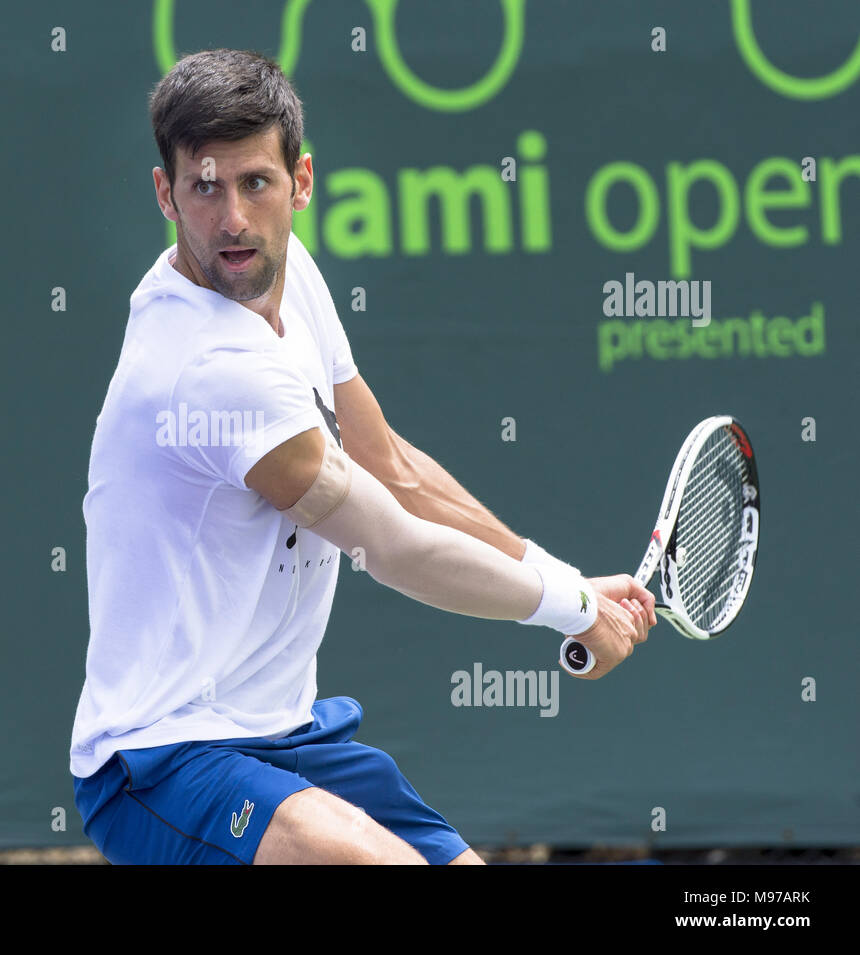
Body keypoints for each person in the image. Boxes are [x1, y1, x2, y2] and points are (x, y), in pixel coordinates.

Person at [69, 48, 655, 865]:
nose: (233, 217)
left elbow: (389, 464)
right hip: (164, 761)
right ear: (166, 193)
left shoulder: (287, 273)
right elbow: (392, 543)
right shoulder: (209, 369)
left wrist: (561, 574)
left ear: (300, 183)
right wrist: (573, 610)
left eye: (256, 183)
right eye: (205, 187)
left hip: (289, 733)